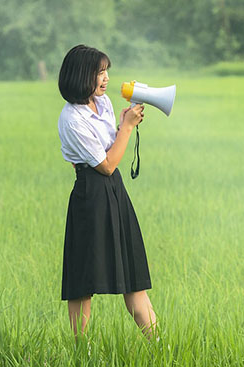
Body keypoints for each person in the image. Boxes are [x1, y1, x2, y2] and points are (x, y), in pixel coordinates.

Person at [57, 44, 157, 338]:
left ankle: (161, 347)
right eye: (99, 72)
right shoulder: (72, 119)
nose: (106, 78)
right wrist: (126, 128)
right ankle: (81, 349)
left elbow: (112, 150)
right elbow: (108, 164)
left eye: (106, 72)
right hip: (91, 196)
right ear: (80, 76)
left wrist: (124, 124)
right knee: (83, 280)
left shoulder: (103, 104)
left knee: (134, 275)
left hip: (115, 192)